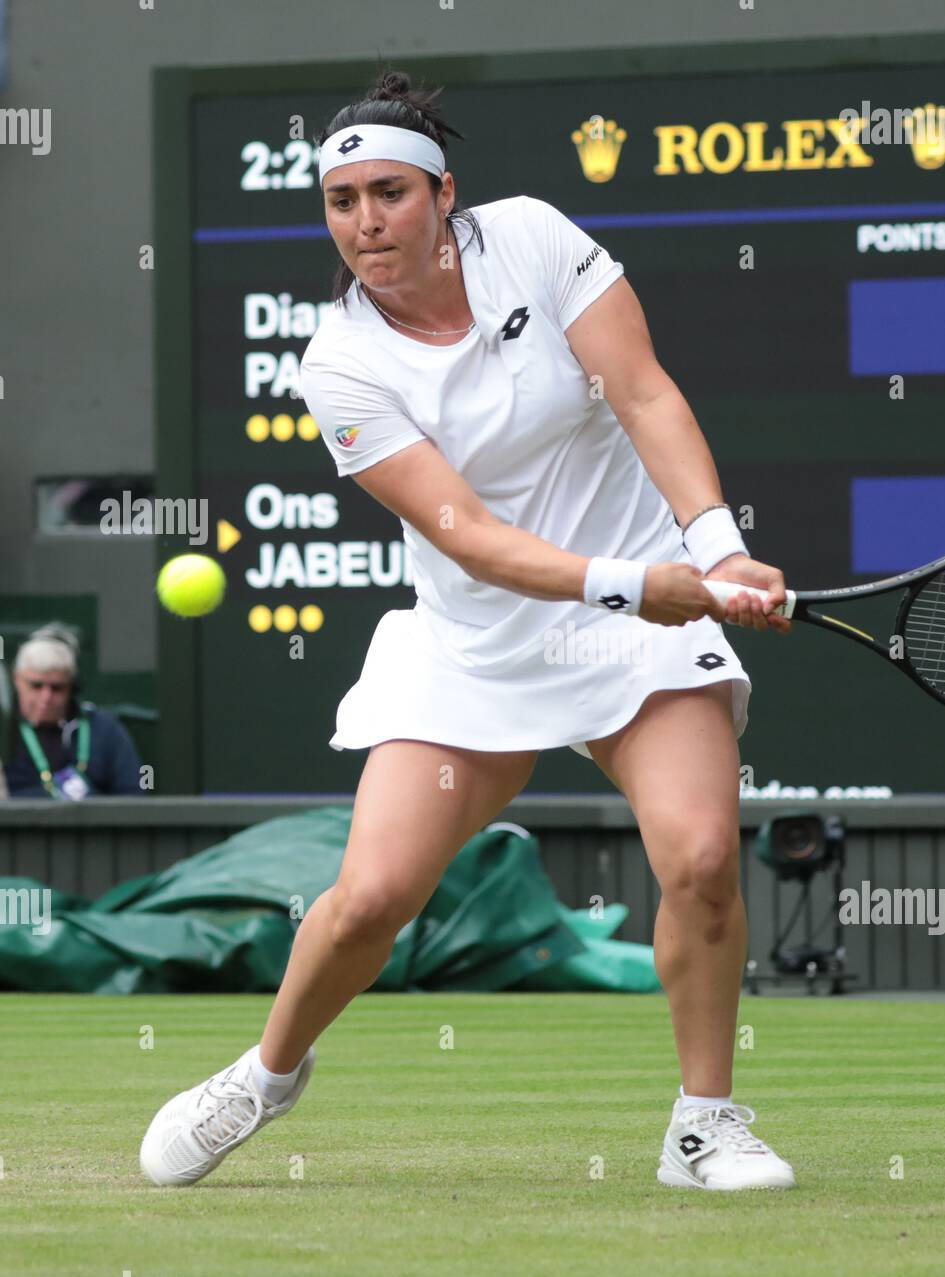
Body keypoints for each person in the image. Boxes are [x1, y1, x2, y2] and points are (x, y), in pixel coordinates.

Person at [139, 70, 795, 1193]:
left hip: (633, 635)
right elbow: (476, 540)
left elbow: (641, 392)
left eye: (387, 193)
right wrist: (647, 581)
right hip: (475, 645)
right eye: (340, 202)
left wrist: (716, 546)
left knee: (696, 859)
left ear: (445, 194)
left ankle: (702, 1125)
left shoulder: (534, 239)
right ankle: (263, 1075)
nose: (365, 222)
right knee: (371, 903)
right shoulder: (338, 364)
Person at [5, 625, 144, 799]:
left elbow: (132, 797)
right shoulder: (4, 730)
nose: (46, 697)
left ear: (73, 686)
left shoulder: (106, 730)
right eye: (36, 686)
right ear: (16, 679)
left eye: (57, 688)